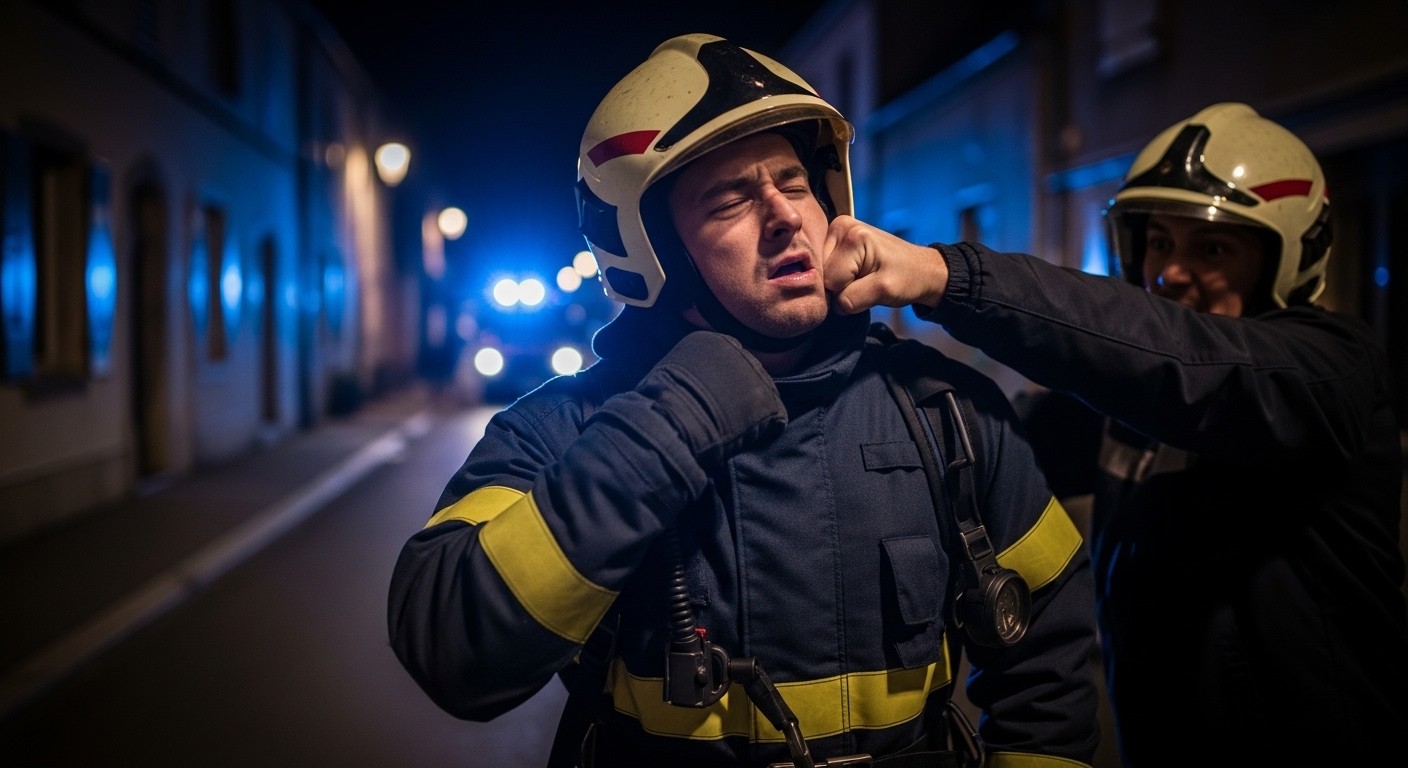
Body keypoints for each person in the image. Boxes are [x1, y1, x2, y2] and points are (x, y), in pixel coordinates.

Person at [388, 33, 1101, 768]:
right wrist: (671, 419)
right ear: (654, 252)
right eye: (731, 199)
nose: (786, 215)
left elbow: (1050, 670)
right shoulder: (563, 430)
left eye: (793, 183)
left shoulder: (947, 412)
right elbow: (448, 650)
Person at [823, 102, 1408, 766]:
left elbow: (1190, 365)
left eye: (1211, 248)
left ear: (1288, 256)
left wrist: (944, 276)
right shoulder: (1132, 397)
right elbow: (971, 454)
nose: (1169, 273)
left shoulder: (1329, 372)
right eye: (1157, 242)